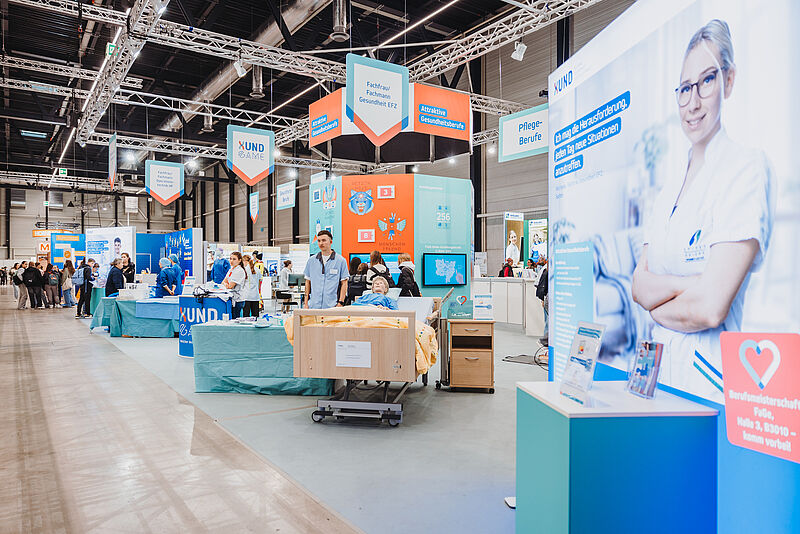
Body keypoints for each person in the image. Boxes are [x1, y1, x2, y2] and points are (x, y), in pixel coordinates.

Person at [631, 20, 773, 401]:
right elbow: (639, 286)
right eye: (684, 88)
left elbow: (711, 308)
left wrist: (658, 306)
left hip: (706, 386)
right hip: (655, 376)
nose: (692, 103)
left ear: (729, 80)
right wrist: (694, 282)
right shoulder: (668, 189)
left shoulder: (746, 169)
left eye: (706, 81)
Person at [303, 230, 348, 309]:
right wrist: (306, 303)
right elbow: (307, 282)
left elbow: (344, 283)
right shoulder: (311, 260)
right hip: (313, 306)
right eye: (319, 241)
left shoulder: (340, 261)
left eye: (324, 240)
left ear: (330, 242)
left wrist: (340, 303)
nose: (321, 243)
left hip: (332, 306)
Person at [223, 251, 247, 318]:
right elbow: (223, 281)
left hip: (238, 300)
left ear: (239, 260)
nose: (231, 261)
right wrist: (226, 284)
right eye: (230, 259)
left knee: (236, 319)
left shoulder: (239, 271)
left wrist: (226, 284)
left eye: (234, 259)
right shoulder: (231, 269)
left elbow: (230, 286)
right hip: (232, 298)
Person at [536, 265, 548, 346]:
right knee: (548, 322)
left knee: (547, 321)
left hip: (546, 298)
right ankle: (546, 342)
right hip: (547, 298)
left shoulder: (545, 269)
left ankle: (546, 341)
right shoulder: (546, 270)